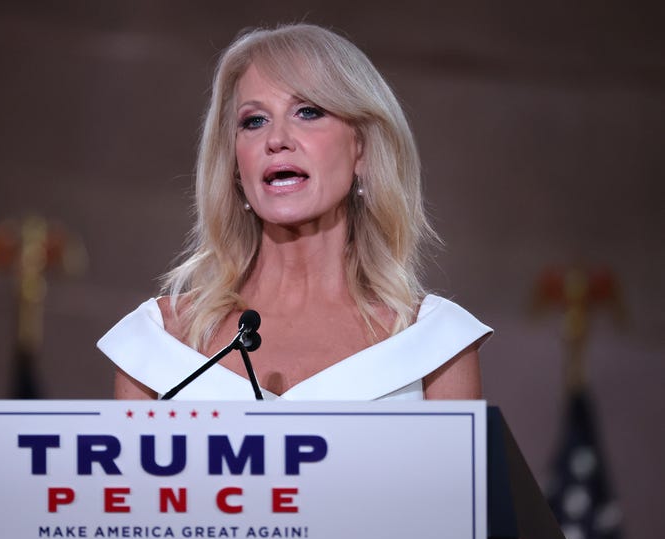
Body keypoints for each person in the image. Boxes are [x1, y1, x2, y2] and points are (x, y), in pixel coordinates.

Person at [97, 23, 491, 401]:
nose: (277, 140)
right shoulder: (158, 345)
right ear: (235, 167)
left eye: (308, 112)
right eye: (254, 120)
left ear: (362, 148)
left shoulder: (434, 343)